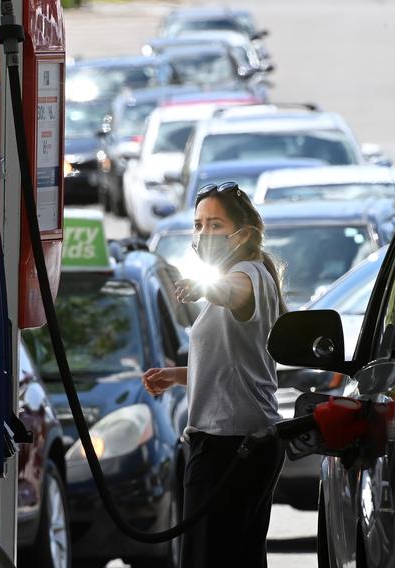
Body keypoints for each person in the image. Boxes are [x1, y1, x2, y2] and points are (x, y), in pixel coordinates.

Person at [142, 181, 286, 568]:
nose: (204, 234)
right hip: (244, 442)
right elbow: (229, 367)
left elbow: (233, 293)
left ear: (245, 233)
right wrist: (175, 375)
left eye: (216, 225)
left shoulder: (248, 275)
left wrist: (204, 285)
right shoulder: (246, 274)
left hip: (229, 447)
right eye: (199, 224)